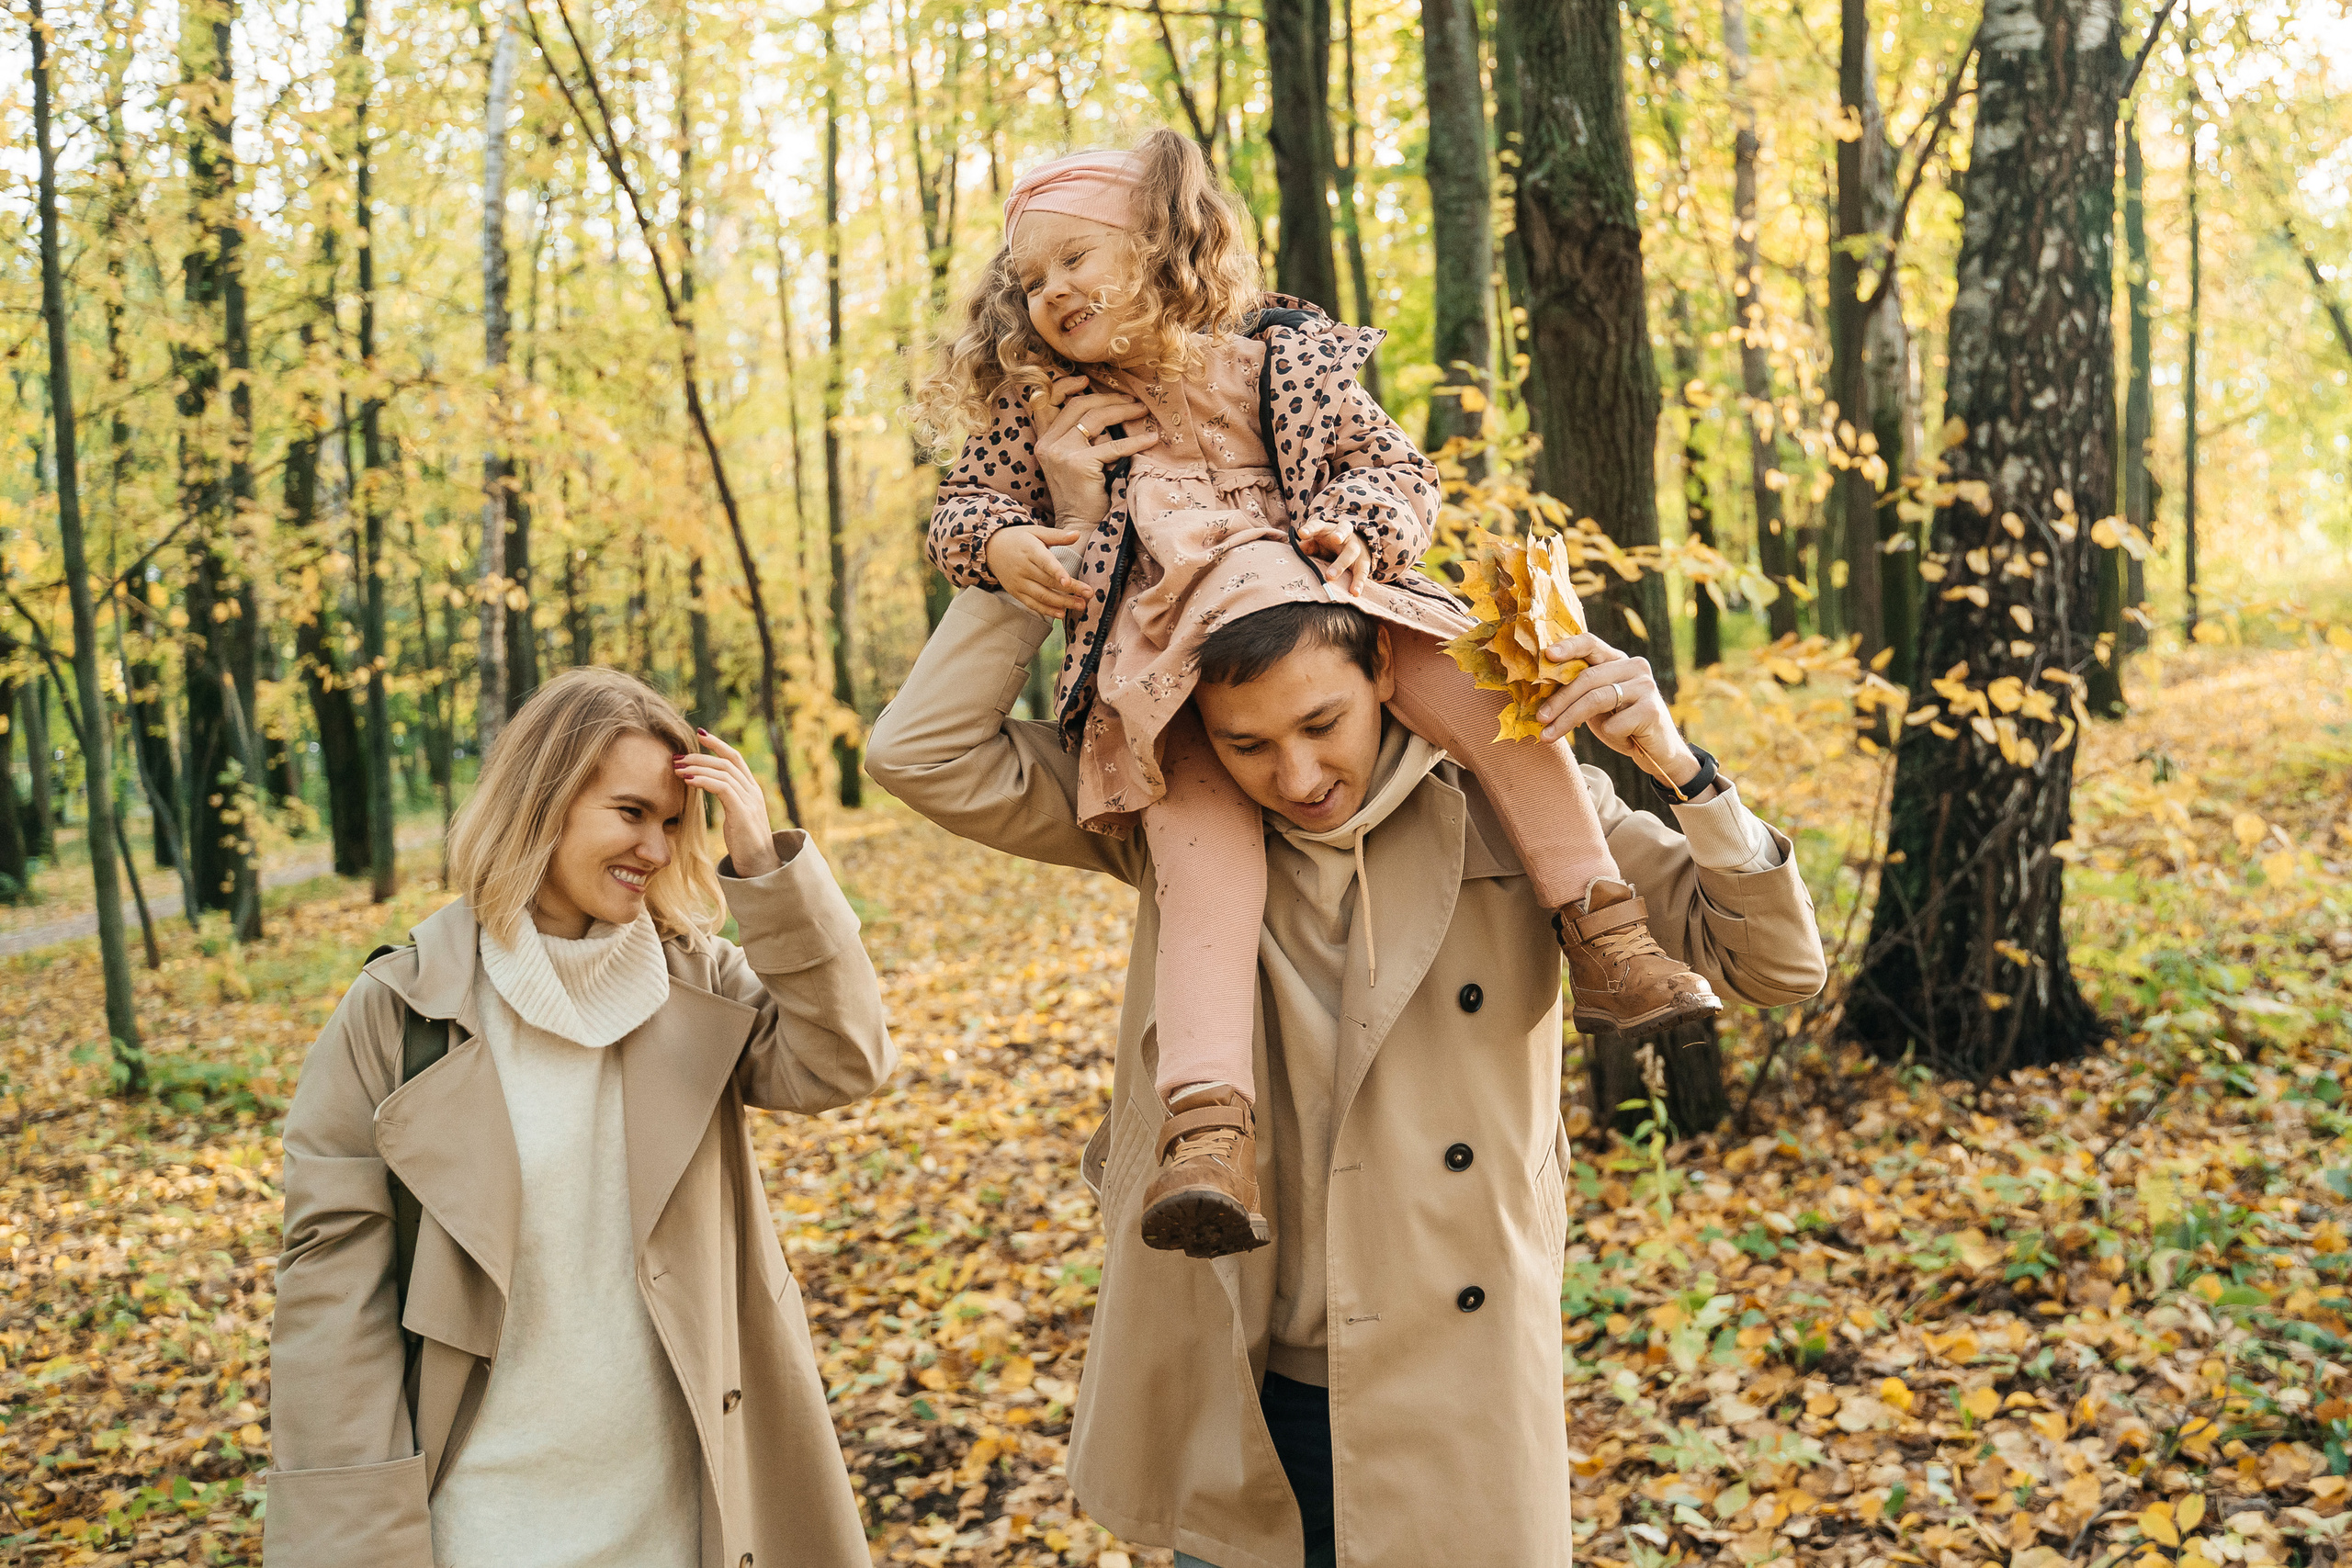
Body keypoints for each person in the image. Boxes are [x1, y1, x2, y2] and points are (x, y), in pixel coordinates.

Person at [866, 572, 1827, 1568]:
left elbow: (1773, 967)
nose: (1297, 774)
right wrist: (1044, 565)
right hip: (1236, 1360)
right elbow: (920, 751)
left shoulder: (1524, 804)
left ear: (1383, 671)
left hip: (1453, 1364)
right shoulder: (1162, 808)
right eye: (1248, 743)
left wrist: (1680, 769)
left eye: (1323, 722)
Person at [912, 129, 1721, 1262]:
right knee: (1199, 864)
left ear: (1161, 243)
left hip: (1332, 604)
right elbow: (960, 508)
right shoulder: (1042, 412)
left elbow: (1392, 468)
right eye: (1030, 280)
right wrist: (1011, 540)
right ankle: (1204, 1131)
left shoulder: (1278, 359)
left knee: (1499, 709)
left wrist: (1364, 527)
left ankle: (1606, 929)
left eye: (1074, 262)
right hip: (1168, 677)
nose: (1051, 294)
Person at [265, 668, 893, 1568]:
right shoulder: (400, 1013)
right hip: (482, 1517)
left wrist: (764, 867)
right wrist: (361, 1541)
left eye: (675, 822)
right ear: (545, 804)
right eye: (630, 812)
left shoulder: (697, 981)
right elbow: (331, 1309)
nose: (657, 845)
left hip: (689, 1504)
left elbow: (844, 1059)